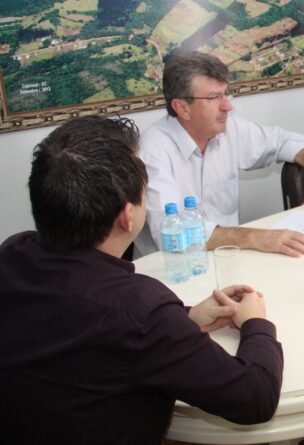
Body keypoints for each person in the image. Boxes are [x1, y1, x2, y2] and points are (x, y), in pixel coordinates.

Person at [0, 116, 283, 443]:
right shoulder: (143, 311)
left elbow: (83, 330)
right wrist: (255, 324)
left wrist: (184, 318)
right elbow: (256, 399)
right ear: (127, 215)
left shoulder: (12, 254)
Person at [134, 51, 304, 258]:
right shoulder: (153, 150)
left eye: (226, 94)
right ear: (182, 108)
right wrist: (257, 237)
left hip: (229, 258)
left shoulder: (229, 129)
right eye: (214, 98)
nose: (227, 106)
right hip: (175, 271)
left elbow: (285, 141)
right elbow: (172, 235)